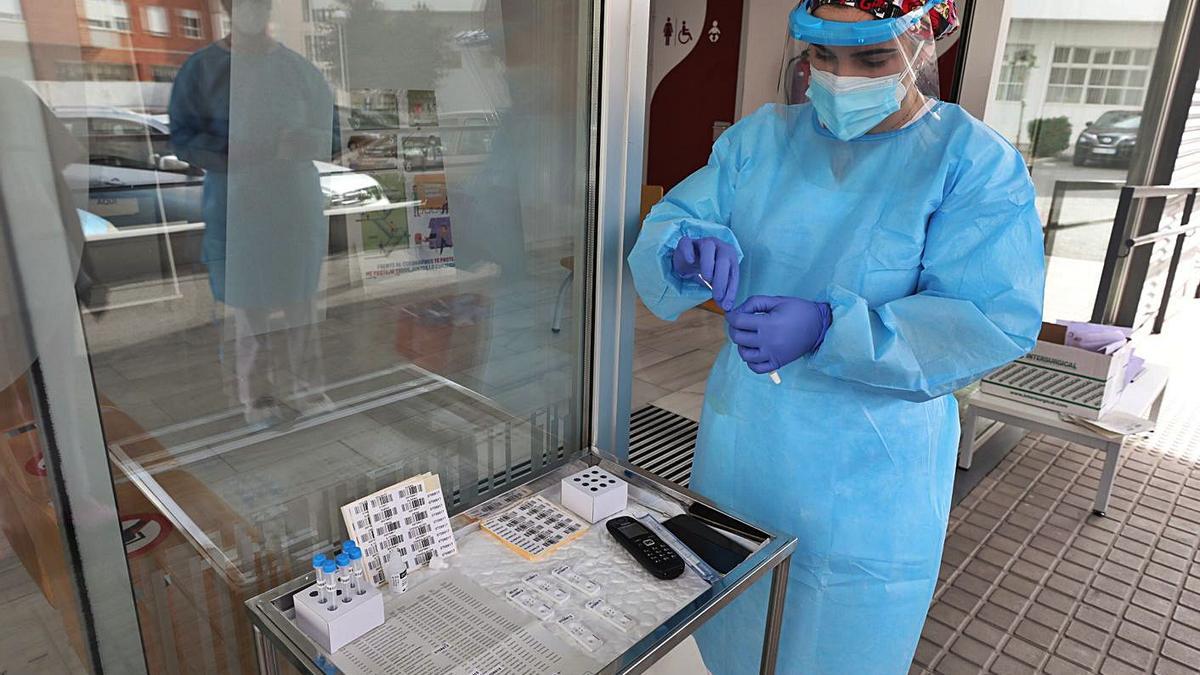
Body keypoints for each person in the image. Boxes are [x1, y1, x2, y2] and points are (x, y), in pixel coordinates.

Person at [627, 0, 1045, 672]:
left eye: (871, 58)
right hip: (747, 441)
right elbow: (673, 222)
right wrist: (686, 246)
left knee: (837, 637)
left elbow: (989, 318)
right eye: (824, 56)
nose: (840, 78)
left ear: (921, 45)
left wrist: (830, 325)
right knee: (729, 615)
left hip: (873, 469)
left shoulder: (971, 165)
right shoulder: (761, 140)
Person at [169, 0, 339, 425]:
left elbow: (332, 133)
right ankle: (259, 398)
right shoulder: (202, 71)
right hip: (237, 206)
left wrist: (303, 142)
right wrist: (236, 152)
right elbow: (183, 138)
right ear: (228, 8)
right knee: (250, 311)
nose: (253, 10)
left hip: (293, 206)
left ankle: (308, 389)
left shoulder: (297, 70)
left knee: (302, 307)